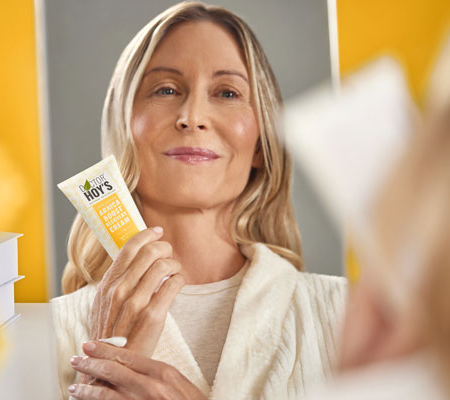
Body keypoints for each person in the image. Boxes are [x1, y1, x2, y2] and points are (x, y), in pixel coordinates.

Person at [50, 2, 346, 399]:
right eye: (166, 90)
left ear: (260, 144)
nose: (192, 116)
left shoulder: (347, 313)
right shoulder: (44, 333)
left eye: (227, 93)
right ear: (124, 131)